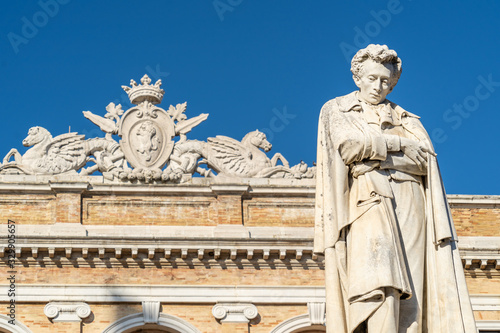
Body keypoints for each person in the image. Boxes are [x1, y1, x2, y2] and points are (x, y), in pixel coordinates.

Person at [314, 44, 477, 333]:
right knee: (378, 277)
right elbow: (349, 147)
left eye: (386, 81)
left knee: (412, 286)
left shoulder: (408, 119)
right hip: (367, 200)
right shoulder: (337, 109)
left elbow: (425, 162)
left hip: (411, 200)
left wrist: (375, 152)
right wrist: (398, 144)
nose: (379, 86)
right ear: (357, 78)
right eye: (373, 78)